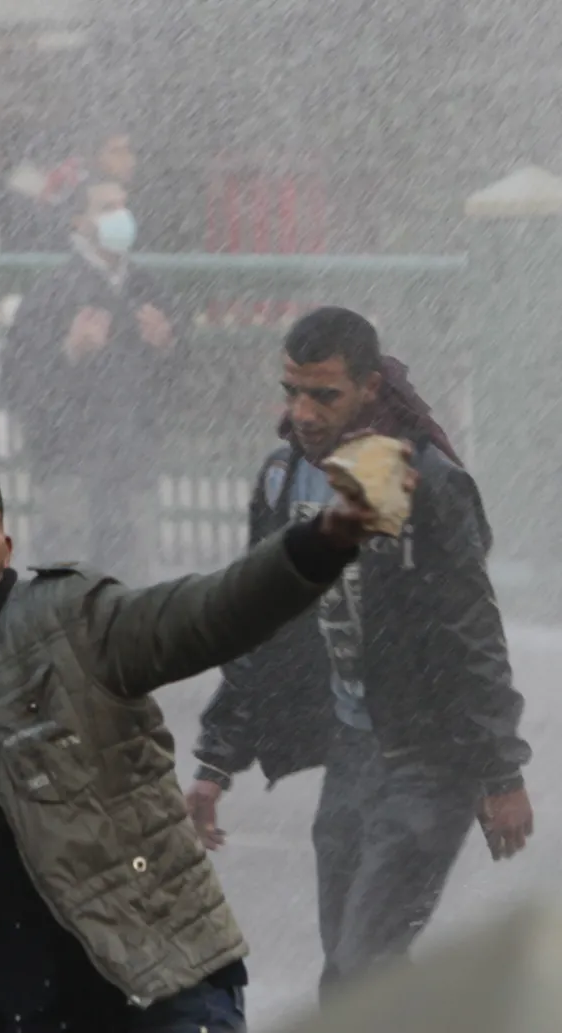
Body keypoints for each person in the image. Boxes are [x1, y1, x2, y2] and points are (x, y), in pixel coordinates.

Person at [0, 438, 387, 1033]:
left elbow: (209, 612)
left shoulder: (70, 623)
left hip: (159, 993)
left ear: (6, 547)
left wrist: (326, 540)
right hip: (17, 1013)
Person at [186, 307, 534, 1002]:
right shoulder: (286, 480)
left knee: (361, 966)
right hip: (354, 752)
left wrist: (499, 771)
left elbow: (472, 632)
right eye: (292, 391)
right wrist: (217, 757)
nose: (303, 411)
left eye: (324, 394)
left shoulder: (425, 482)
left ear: (371, 386)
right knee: (350, 965)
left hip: (432, 757)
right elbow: (261, 621)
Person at [6, 179, 178, 580]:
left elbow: (180, 379)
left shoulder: (148, 288)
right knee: (68, 590)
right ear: (79, 221)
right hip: (70, 465)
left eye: (123, 204)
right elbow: (19, 379)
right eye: (106, 207)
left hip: (132, 461)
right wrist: (69, 352)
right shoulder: (52, 292)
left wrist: (167, 346)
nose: (120, 215)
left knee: (132, 588)